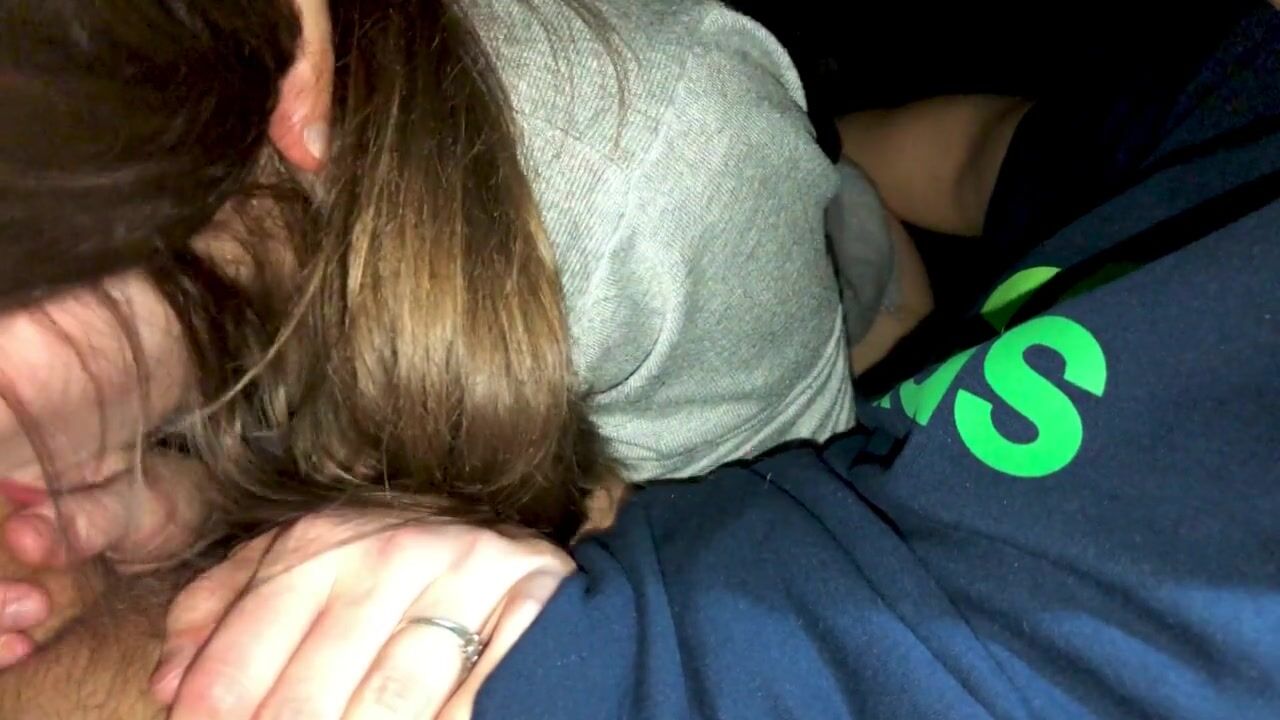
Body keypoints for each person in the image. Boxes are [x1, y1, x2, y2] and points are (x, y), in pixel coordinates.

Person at [1, 2, 1277, 718]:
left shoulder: (646, 202)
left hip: (748, 372)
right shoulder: (1227, 96)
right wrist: (181, 497)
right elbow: (1000, 152)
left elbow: (741, 495)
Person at [0, 0, 932, 668]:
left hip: (772, 293)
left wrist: (533, 586)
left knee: (882, 286)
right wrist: (201, 502)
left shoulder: (647, 180)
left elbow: (785, 560)